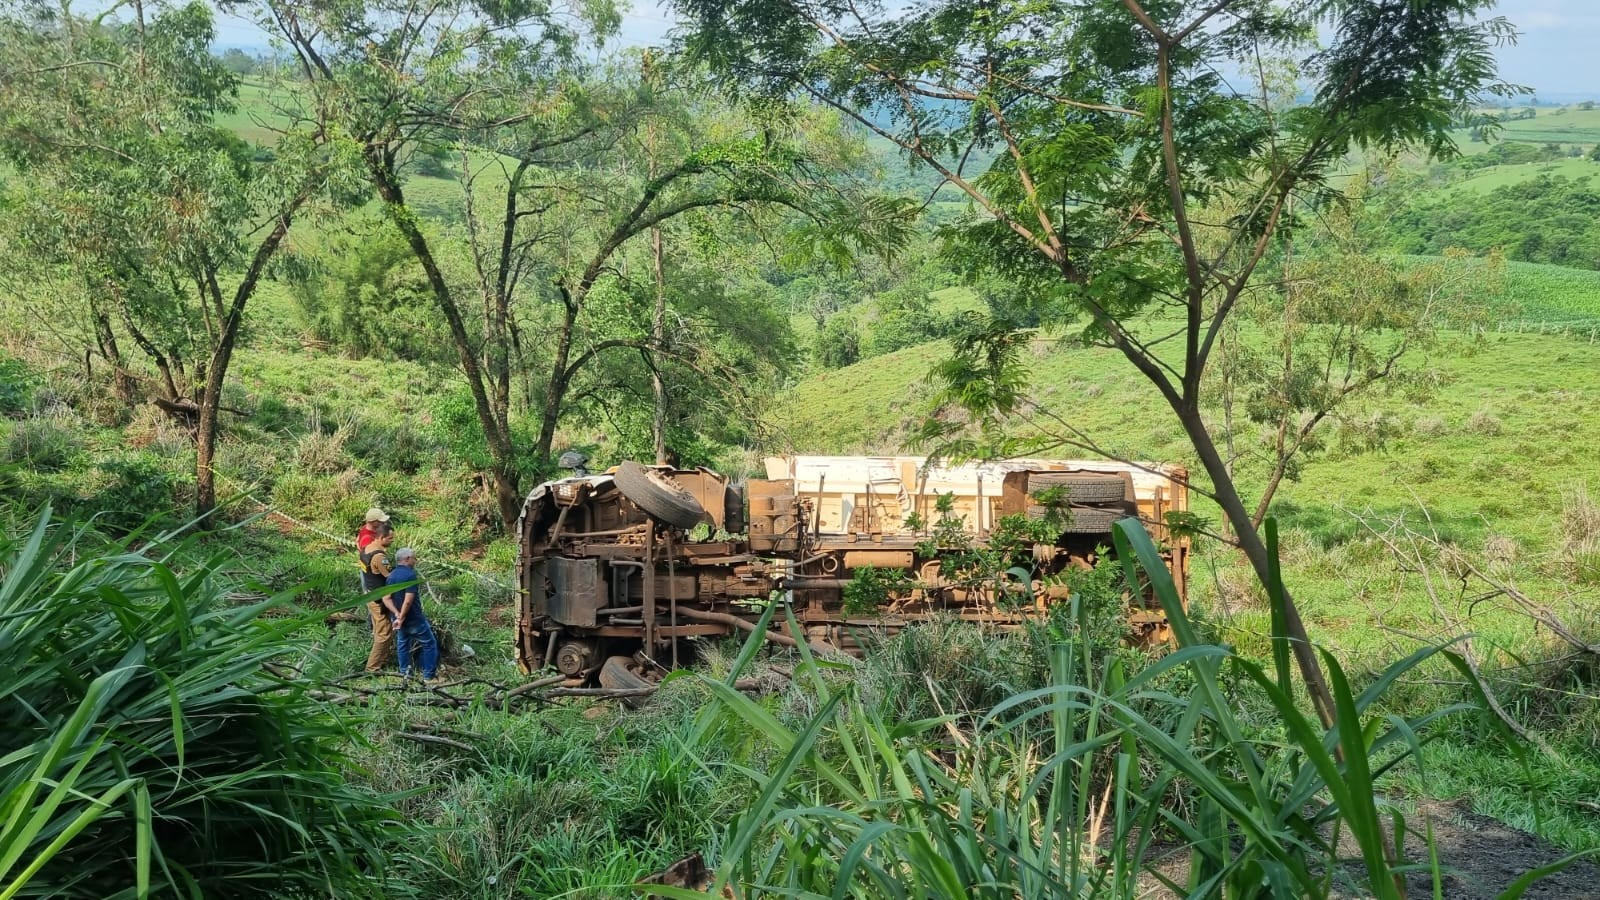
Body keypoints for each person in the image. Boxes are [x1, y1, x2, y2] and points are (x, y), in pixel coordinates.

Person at [384, 547, 439, 683]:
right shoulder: (410, 576)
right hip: (413, 619)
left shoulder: (391, 576)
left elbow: (386, 598)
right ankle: (428, 676)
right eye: (414, 558)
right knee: (429, 644)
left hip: (398, 620)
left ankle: (405, 674)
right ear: (407, 559)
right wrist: (402, 616)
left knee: (403, 644)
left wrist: (396, 615)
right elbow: (408, 600)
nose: (415, 560)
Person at [359, 523, 395, 673]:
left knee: (384, 630)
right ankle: (372, 668)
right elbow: (391, 577)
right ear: (381, 537)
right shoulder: (379, 557)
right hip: (378, 599)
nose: (392, 541)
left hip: (369, 593)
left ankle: (383, 660)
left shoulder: (365, 550)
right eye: (390, 538)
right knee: (383, 633)